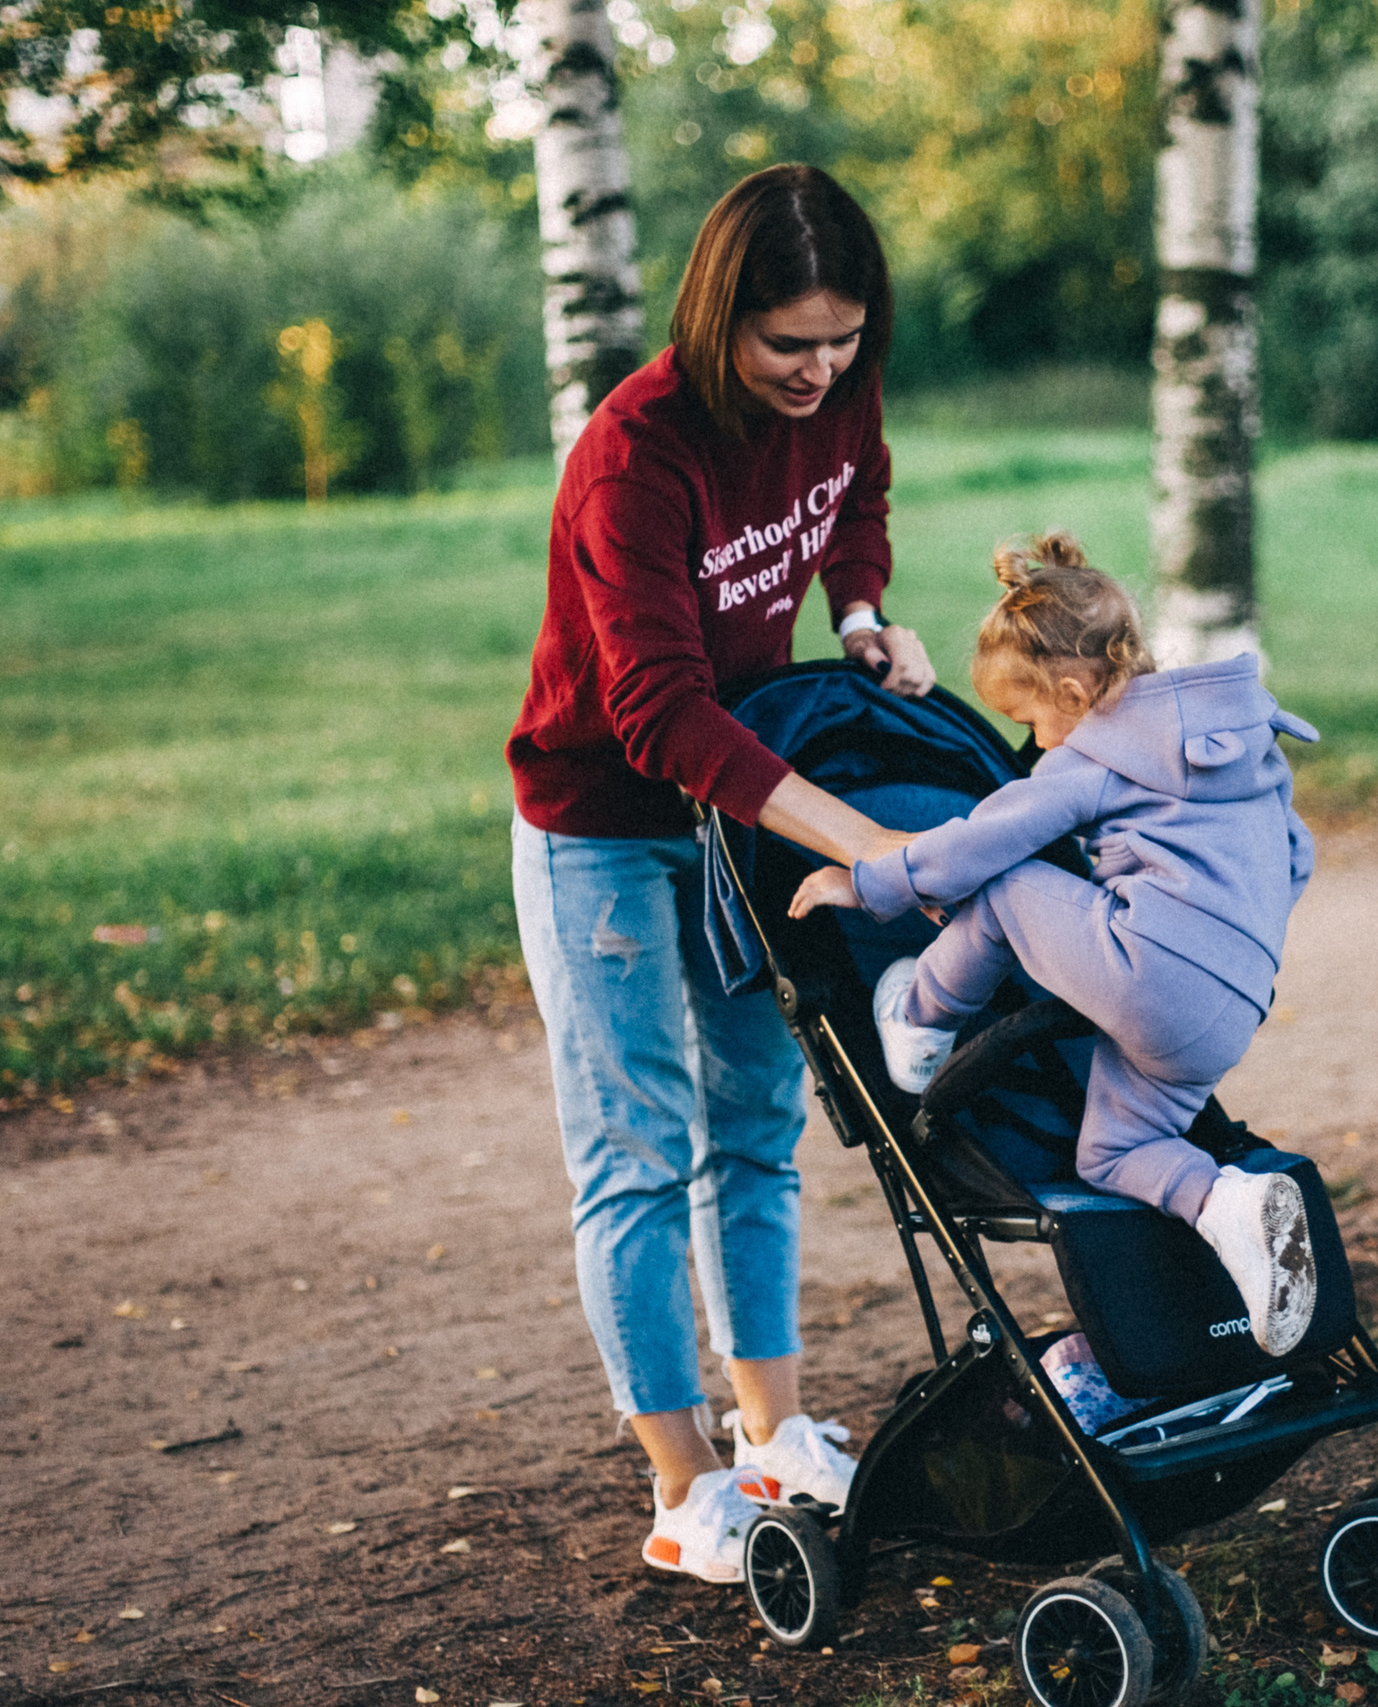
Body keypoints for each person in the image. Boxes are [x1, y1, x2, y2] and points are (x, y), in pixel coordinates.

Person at [505, 164, 931, 1585]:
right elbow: (656, 712)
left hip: (738, 810)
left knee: (754, 1116)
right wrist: (856, 835)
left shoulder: (837, 394)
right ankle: (685, 1482)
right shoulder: (637, 452)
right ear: (718, 317)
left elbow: (856, 495)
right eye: (787, 344)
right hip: (601, 819)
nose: (820, 372)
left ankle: (774, 1424)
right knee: (635, 1142)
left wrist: (861, 611)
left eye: (843, 339)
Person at [787, 534, 1323, 1356]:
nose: (1034, 743)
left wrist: (865, 881)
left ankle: (919, 1020)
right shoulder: (1244, 740)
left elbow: (981, 840)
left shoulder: (1097, 751)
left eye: (1032, 720)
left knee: (1005, 883)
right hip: (1234, 1003)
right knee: (1113, 1151)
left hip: (1151, 980)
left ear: (1073, 689)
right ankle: (1229, 1206)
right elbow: (1294, 857)